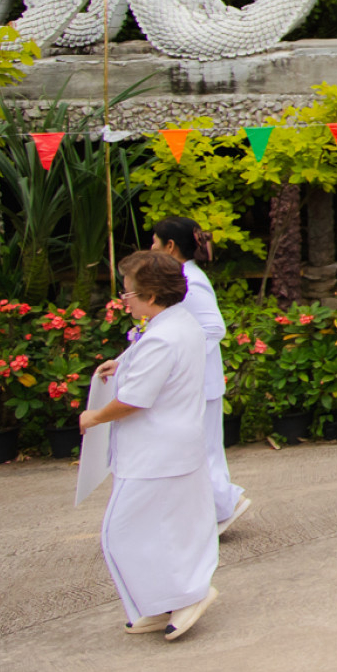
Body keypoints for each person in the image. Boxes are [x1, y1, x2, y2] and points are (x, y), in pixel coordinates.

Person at [83, 250, 219, 640]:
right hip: (175, 446)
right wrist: (122, 363)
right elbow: (156, 364)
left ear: (152, 296)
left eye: (128, 293)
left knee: (120, 532)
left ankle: (187, 593)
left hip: (155, 451)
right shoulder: (180, 323)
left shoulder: (162, 335)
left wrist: (93, 417)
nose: (123, 300)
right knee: (164, 528)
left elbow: (134, 400)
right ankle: (162, 601)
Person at [147, 217, 246, 534]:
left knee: (204, 450)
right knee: (198, 449)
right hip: (194, 381)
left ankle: (221, 507)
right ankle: (216, 507)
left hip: (198, 380)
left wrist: (179, 357)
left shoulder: (191, 279)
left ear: (170, 246)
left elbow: (214, 327)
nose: (151, 248)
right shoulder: (181, 276)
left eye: (155, 242)